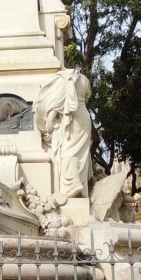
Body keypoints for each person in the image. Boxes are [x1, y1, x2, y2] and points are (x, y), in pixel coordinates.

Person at [33, 68, 92, 199]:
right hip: (83, 116)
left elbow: (57, 102)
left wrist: (50, 119)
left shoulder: (62, 79)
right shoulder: (84, 80)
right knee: (78, 152)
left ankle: (72, 184)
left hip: (73, 118)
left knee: (68, 151)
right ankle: (76, 183)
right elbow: (87, 96)